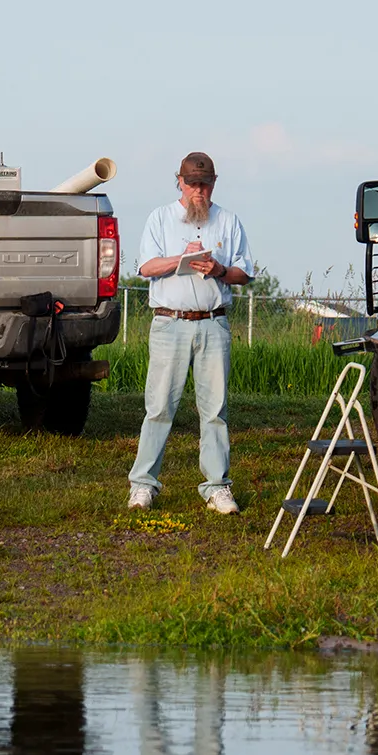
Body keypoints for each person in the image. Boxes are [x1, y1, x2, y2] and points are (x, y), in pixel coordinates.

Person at [126, 152, 253, 515]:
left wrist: (218, 269)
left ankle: (217, 487)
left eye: (205, 183)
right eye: (192, 183)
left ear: (215, 183)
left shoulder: (228, 221)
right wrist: (180, 259)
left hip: (214, 322)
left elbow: (244, 273)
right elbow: (146, 266)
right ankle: (143, 485)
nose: (199, 190)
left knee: (215, 410)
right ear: (179, 181)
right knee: (159, 407)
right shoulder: (160, 218)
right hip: (170, 322)